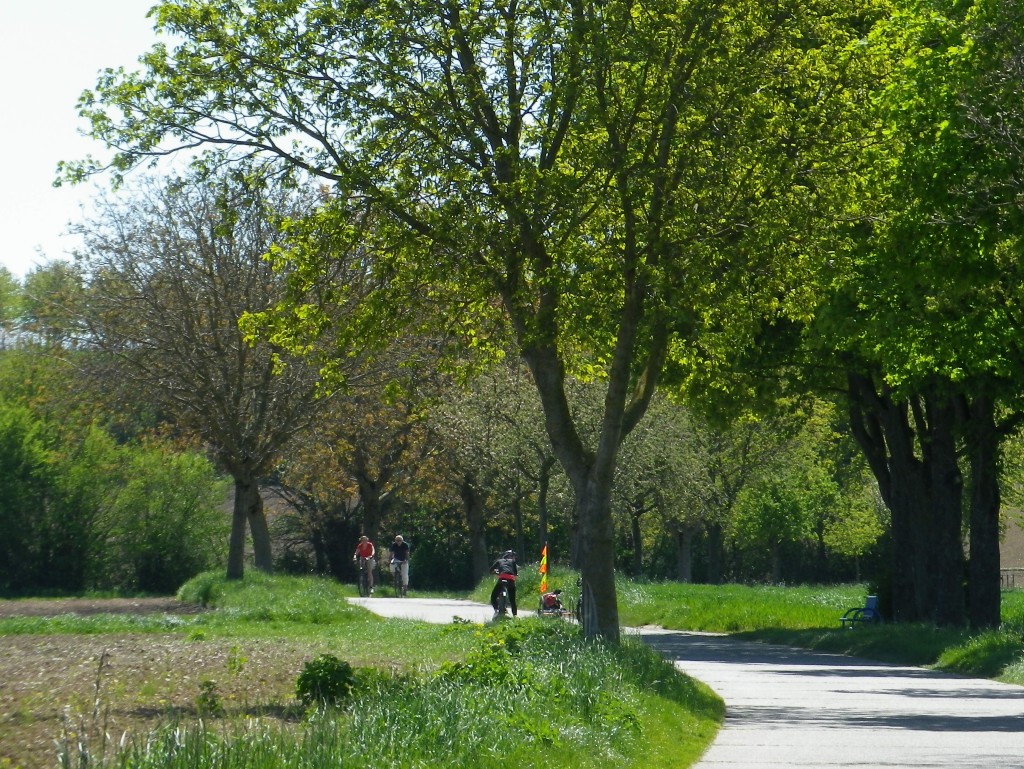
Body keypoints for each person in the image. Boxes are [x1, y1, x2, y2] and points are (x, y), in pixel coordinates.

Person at [489, 549, 518, 617]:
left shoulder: (499, 561)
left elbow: (490, 570)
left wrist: (496, 572)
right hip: (510, 579)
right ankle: (515, 615)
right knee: (512, 600)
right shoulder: (512, 561)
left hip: (502, 577)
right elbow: (515, 573)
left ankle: (496, 611)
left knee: (493, 596)